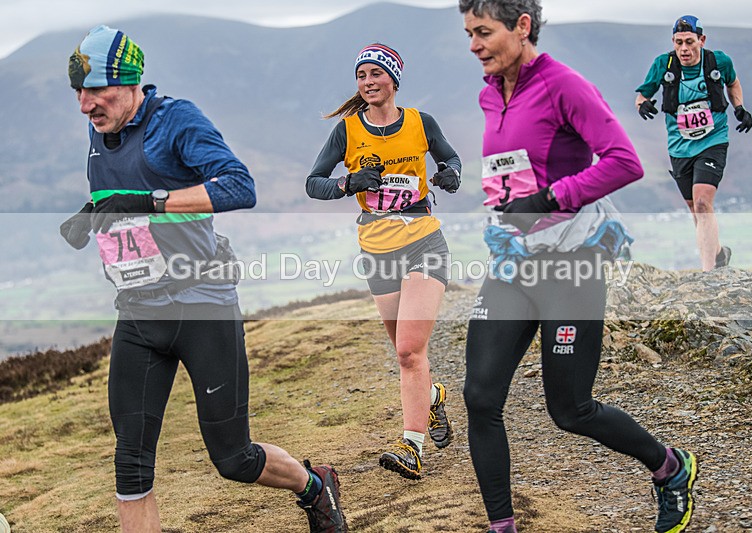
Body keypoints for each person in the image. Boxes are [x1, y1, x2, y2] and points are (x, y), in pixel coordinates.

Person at [59, 25, 347, 532]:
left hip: (201, 305)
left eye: (96, 91)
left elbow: (240, 186)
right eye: (78, 93)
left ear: (129, 82)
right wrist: (92, 212)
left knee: (233, 458)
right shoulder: (100, 129)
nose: (85, 105)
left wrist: (150, 205)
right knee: (131, 463)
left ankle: (314, 485)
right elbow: (125, 193)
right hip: (138, 311)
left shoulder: (176, 121)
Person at [458, 2, 697, 533]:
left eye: (483, 32)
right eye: (469, 33)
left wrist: (547, 198)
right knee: (479, 395)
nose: (473, 44)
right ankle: (503, 526)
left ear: (521, 27)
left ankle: (670, 467)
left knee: (569, 410)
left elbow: (623, 161)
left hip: (573, 264)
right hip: (514, 262)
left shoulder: (564, 85)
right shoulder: (489, 91)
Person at [306, 43, 460, 480]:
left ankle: (411, 446)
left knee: (411, 350)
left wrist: (451, 174)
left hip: (424, 242)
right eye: (361, 76)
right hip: (377, 247)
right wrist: (348, 183)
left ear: (393, 79)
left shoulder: (420, 122)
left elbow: (450, 157)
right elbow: (313, 183)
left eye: (376, 74)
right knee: (404, 353)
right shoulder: (348, 130)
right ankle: (431, 396)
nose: (368, 82)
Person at [636, 15, 752, 271]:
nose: (684, 49)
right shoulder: (663, 64)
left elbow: (732, 82)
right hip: (679, 146)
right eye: (679, 42)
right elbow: (643, 93)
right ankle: (719, 254)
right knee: (695, 208)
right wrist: (642, 104)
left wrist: (740, 107)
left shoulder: (718, 61)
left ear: (702, 40)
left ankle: (708, 273)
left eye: (689, 42)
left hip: (713, 139)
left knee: (702, 202)